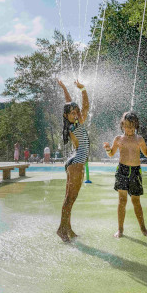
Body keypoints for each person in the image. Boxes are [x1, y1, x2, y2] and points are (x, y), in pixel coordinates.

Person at [103, 111, 147, 238]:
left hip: (135, 172)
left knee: (136, 201)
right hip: (122, 171)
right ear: (122, 125)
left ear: (136, 126)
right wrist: (107, 149)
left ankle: (143, 229)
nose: (129, 129)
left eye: (132, 126)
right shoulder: (118, 139)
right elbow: (111, 154)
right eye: (127, 126)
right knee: (122, 201)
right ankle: (120, 230)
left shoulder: (139, 139)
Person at [57, 79, 89, 242]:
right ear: (66, 116)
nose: (76, 114)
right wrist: (83, 90)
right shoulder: (75, 125)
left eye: (76, 113)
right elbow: (85, 107)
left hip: (75, 161)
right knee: (71, 198)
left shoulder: (71, 123)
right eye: (73, 113)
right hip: (76, 162)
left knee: (69, 197)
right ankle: (62, 229)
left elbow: (70, 104)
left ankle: (67, 228)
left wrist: (64, 88)